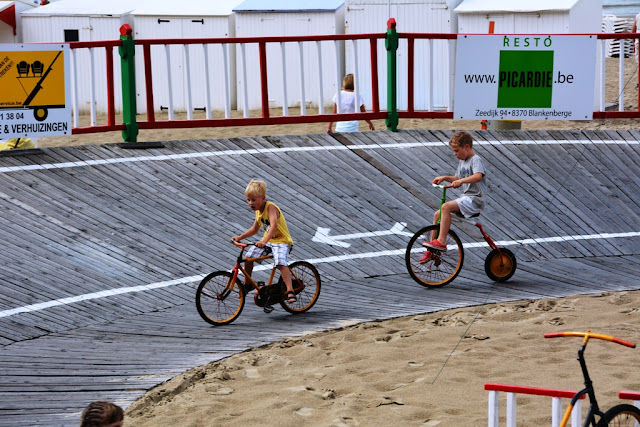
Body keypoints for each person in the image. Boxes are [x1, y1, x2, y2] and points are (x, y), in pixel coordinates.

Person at [420, 131, 487, 263]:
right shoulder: (463, 161)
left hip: (475, 200)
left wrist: (461, 182)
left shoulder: (475, 160)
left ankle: (441, 241)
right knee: (437, 214)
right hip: (466, 198)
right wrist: (444, 177)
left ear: (467, 147)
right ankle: (432, 249)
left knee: (445, 207)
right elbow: (457, 177)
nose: (455, 154)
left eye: (457, 150)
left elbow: (478, 176)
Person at [231, 180, 296, 304]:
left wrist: (264, 241)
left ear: (263, 198)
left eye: (254, 200)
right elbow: (254, 229)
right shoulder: (258, 212)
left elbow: (274, 226)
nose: (251, 203)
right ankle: (248, 285)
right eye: (248, 200)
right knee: (248, 258)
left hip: (282, 241)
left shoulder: (270, 207)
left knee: (280, 263)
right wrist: (240, 237)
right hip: (269, 241)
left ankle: (290, 290)